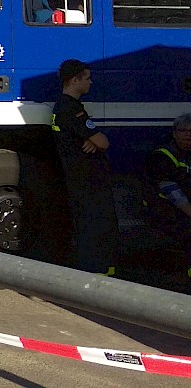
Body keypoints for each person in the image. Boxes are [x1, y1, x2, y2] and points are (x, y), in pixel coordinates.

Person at [51, 59, 117, 275]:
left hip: (78, 178)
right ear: (74, 80)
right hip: (88, 180)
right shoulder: (72, 109)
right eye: (87, 78)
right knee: (96, 226)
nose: (91, 82)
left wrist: (91, 140)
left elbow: (90, 139)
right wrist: (94, 140)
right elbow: (104, 142)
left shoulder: (61, 107)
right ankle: (98, 271)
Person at [144, 114, 191, 274]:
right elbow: (172, 193)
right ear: (175, 133)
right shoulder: (163, 155)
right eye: (183, 130)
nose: (188, 134)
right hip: (166, 209)